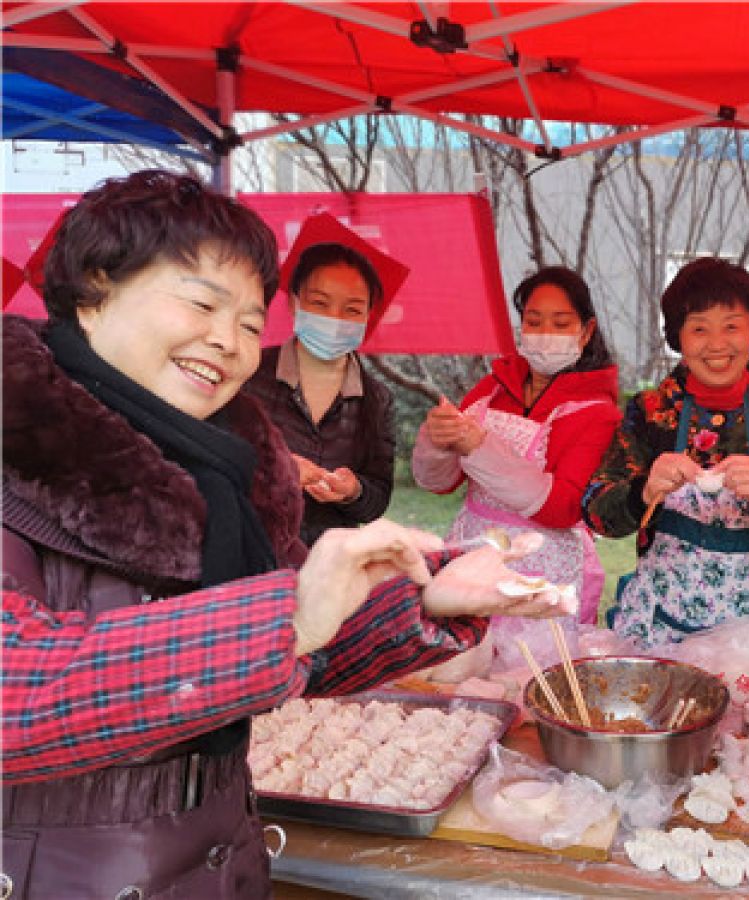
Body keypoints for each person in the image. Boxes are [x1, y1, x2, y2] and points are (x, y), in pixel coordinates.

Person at [1, 170, 560, 899]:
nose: (227, 341)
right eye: (203, 302)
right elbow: (18, 691)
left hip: (220, 857)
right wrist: (287, 617)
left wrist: (426, 600)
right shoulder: (17, 452)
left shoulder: (225, 470)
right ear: (95, 287)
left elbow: (305, 646)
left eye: (246, 320)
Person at [584, 257, 749, 648]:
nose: (717, 344)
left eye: (731, 326)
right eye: (699, 329)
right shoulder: (652, 412)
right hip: (661, 627)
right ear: (678, 337)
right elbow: (596, 514)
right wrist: (643, 490)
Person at [411, 265, 621, 656]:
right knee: (463, 667)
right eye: (533, 321)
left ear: (586, 331)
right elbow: (439, 483)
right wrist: (437, 443)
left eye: (560, 323)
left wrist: (479, 447)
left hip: (543, 568)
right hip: (473, 549)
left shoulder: (597, 410)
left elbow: (561, 507)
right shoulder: (493, 387)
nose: (544, 334)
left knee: (530, 675)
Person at [242, 241, 396, 545]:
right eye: (320, 303)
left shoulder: (376, 399)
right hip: (251, 549)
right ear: (293, 303)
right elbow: (214, 460)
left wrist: (354, 491)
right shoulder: (248, 372)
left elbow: (377, 499)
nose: (335, 319)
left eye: (352, 309)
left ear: (368, 315)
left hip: (330, 561)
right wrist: (278, 471)